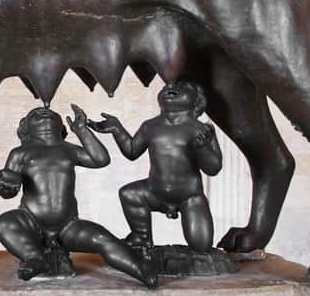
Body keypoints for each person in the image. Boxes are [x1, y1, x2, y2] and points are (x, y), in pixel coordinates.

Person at [0, 105, 156, 287]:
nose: (44, 111)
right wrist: (8, 184)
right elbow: (7, 193)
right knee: (2, 224)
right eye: (35, 113)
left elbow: (100, 160)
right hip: (30, 220)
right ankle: (34, 258)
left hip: (68, 225)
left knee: (103, 239)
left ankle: (141, 271)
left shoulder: (69, 150)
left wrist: (81, 130)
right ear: (26, 127)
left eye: (51, 113)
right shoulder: (20, 153)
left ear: (61, 127)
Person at [88, 80, 221, 251]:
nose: (171, 87)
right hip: (154, 192)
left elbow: (213, 168)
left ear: (196, 101)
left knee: (201, 246)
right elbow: (132, 151)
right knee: (129, 194)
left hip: (190, 197)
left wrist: (203, 148)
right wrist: (117, 129)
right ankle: (141, 236)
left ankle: (192, 245)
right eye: (166, 87)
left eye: (183, 88)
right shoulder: (150, 126)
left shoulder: (201, 130)